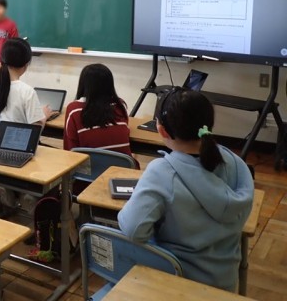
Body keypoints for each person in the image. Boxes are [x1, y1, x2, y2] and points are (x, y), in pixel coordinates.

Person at [118, 89, 254, 292]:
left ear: (161, 130)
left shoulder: (161, 172)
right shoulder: (235, 162)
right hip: (225, 282)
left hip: (177, 283)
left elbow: (133, 230)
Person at [63, 64, 132, 156]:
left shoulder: (74, 109)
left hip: (90, 165)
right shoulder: (119, 105)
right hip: (123, 164)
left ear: (83, 84)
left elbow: (69, 149)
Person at [0, 38, 47, 126]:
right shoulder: (27, 92)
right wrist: (44, 116)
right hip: (17, 136)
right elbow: (36, 129)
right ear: (26, 64)